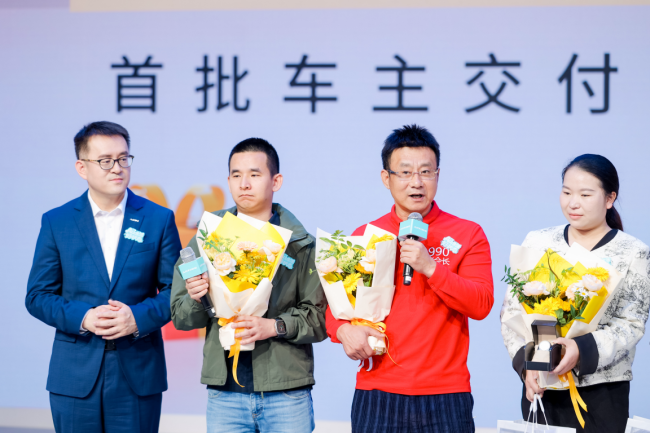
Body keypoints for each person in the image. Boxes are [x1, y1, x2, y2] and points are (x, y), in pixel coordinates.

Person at [326, 124, 494, 433]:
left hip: (446, 394)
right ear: (386, 178)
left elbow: (481, 304)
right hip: (377, 390)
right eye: (405, 172)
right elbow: (334, 305)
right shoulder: (366, 236)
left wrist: (431, 268)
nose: (416, 182)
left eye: (426, 172)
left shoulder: (468, 233)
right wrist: (342, 330)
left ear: (437, 175)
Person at [25, 121, 182, 433]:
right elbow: (37, 296)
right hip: (74, 374)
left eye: (123, 158)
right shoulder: (57, 222)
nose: (117, 168)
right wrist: (84, 317)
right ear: (82, 168)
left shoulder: (158, 219)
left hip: (137, 371)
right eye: (105, 161)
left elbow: (177, 292)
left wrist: (136, 318)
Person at [170, 138, 327, 433]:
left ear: (275, 181)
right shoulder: (208, 236)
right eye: (236, 175)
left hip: (286, 392)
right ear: (228, 180)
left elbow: (318, 320)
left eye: (255, 174)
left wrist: (274, 326)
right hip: (225, 394)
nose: (244, 184)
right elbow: (180, 316)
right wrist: (196, 297)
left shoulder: (300, 244)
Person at [500, 154, 650, 433]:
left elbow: (631, 324)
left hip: (601, 396)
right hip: (542, 387)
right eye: (566, 192)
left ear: (610, 198)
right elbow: (512, 311)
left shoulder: (633, 252)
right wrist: (527, 365)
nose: (573, 203)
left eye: (585, 194)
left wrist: (580, 349)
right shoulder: (538, 241)